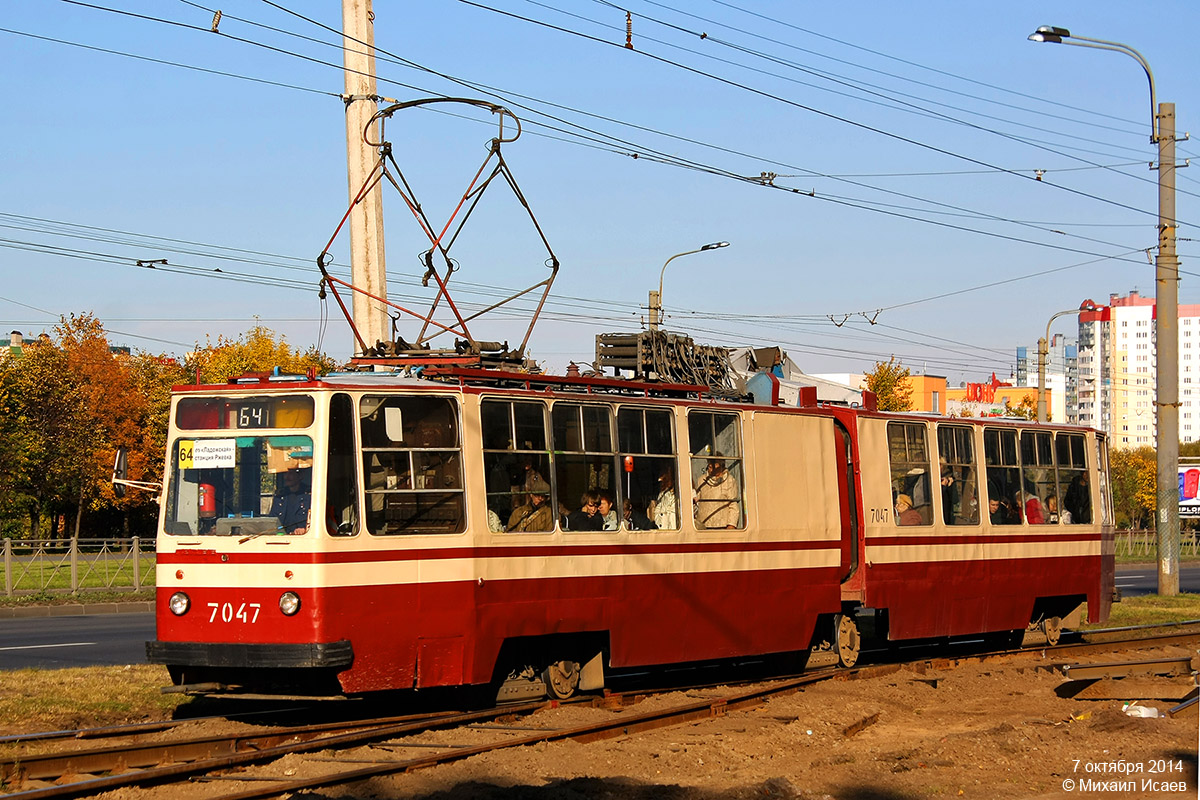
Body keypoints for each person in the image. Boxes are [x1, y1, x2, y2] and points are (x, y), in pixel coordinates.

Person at [695, 458, 740, 529]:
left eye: (714, 467)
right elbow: (697, 501)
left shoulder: (729, 481)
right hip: (703, 525)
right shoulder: (701, 480)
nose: (711, 470)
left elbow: (733, 504)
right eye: (710, 467)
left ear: (721, 467)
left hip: (722, 526)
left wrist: (731, 525)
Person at [270, 469, 311, 534]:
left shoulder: (310, 495)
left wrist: (306, 529)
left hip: (303, 539)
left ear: (300, 475)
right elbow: (272, 520)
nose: (287, 477)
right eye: (285, 473)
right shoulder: (280, 495)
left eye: (291, 473)